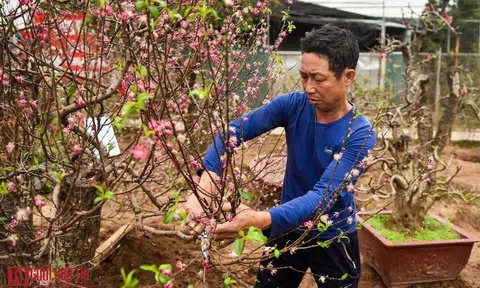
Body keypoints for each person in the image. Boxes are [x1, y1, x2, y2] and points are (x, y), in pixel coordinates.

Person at [184, 24, 376, 288]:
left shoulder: (360, 134)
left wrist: (259, 219)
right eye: (304, 76)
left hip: (333, 235)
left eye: (318, 79)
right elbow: (231, 132)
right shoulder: (293, 105)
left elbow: (322, 197)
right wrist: (208, 178)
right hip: (286, 228)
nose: (309, 87)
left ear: (348, 76)